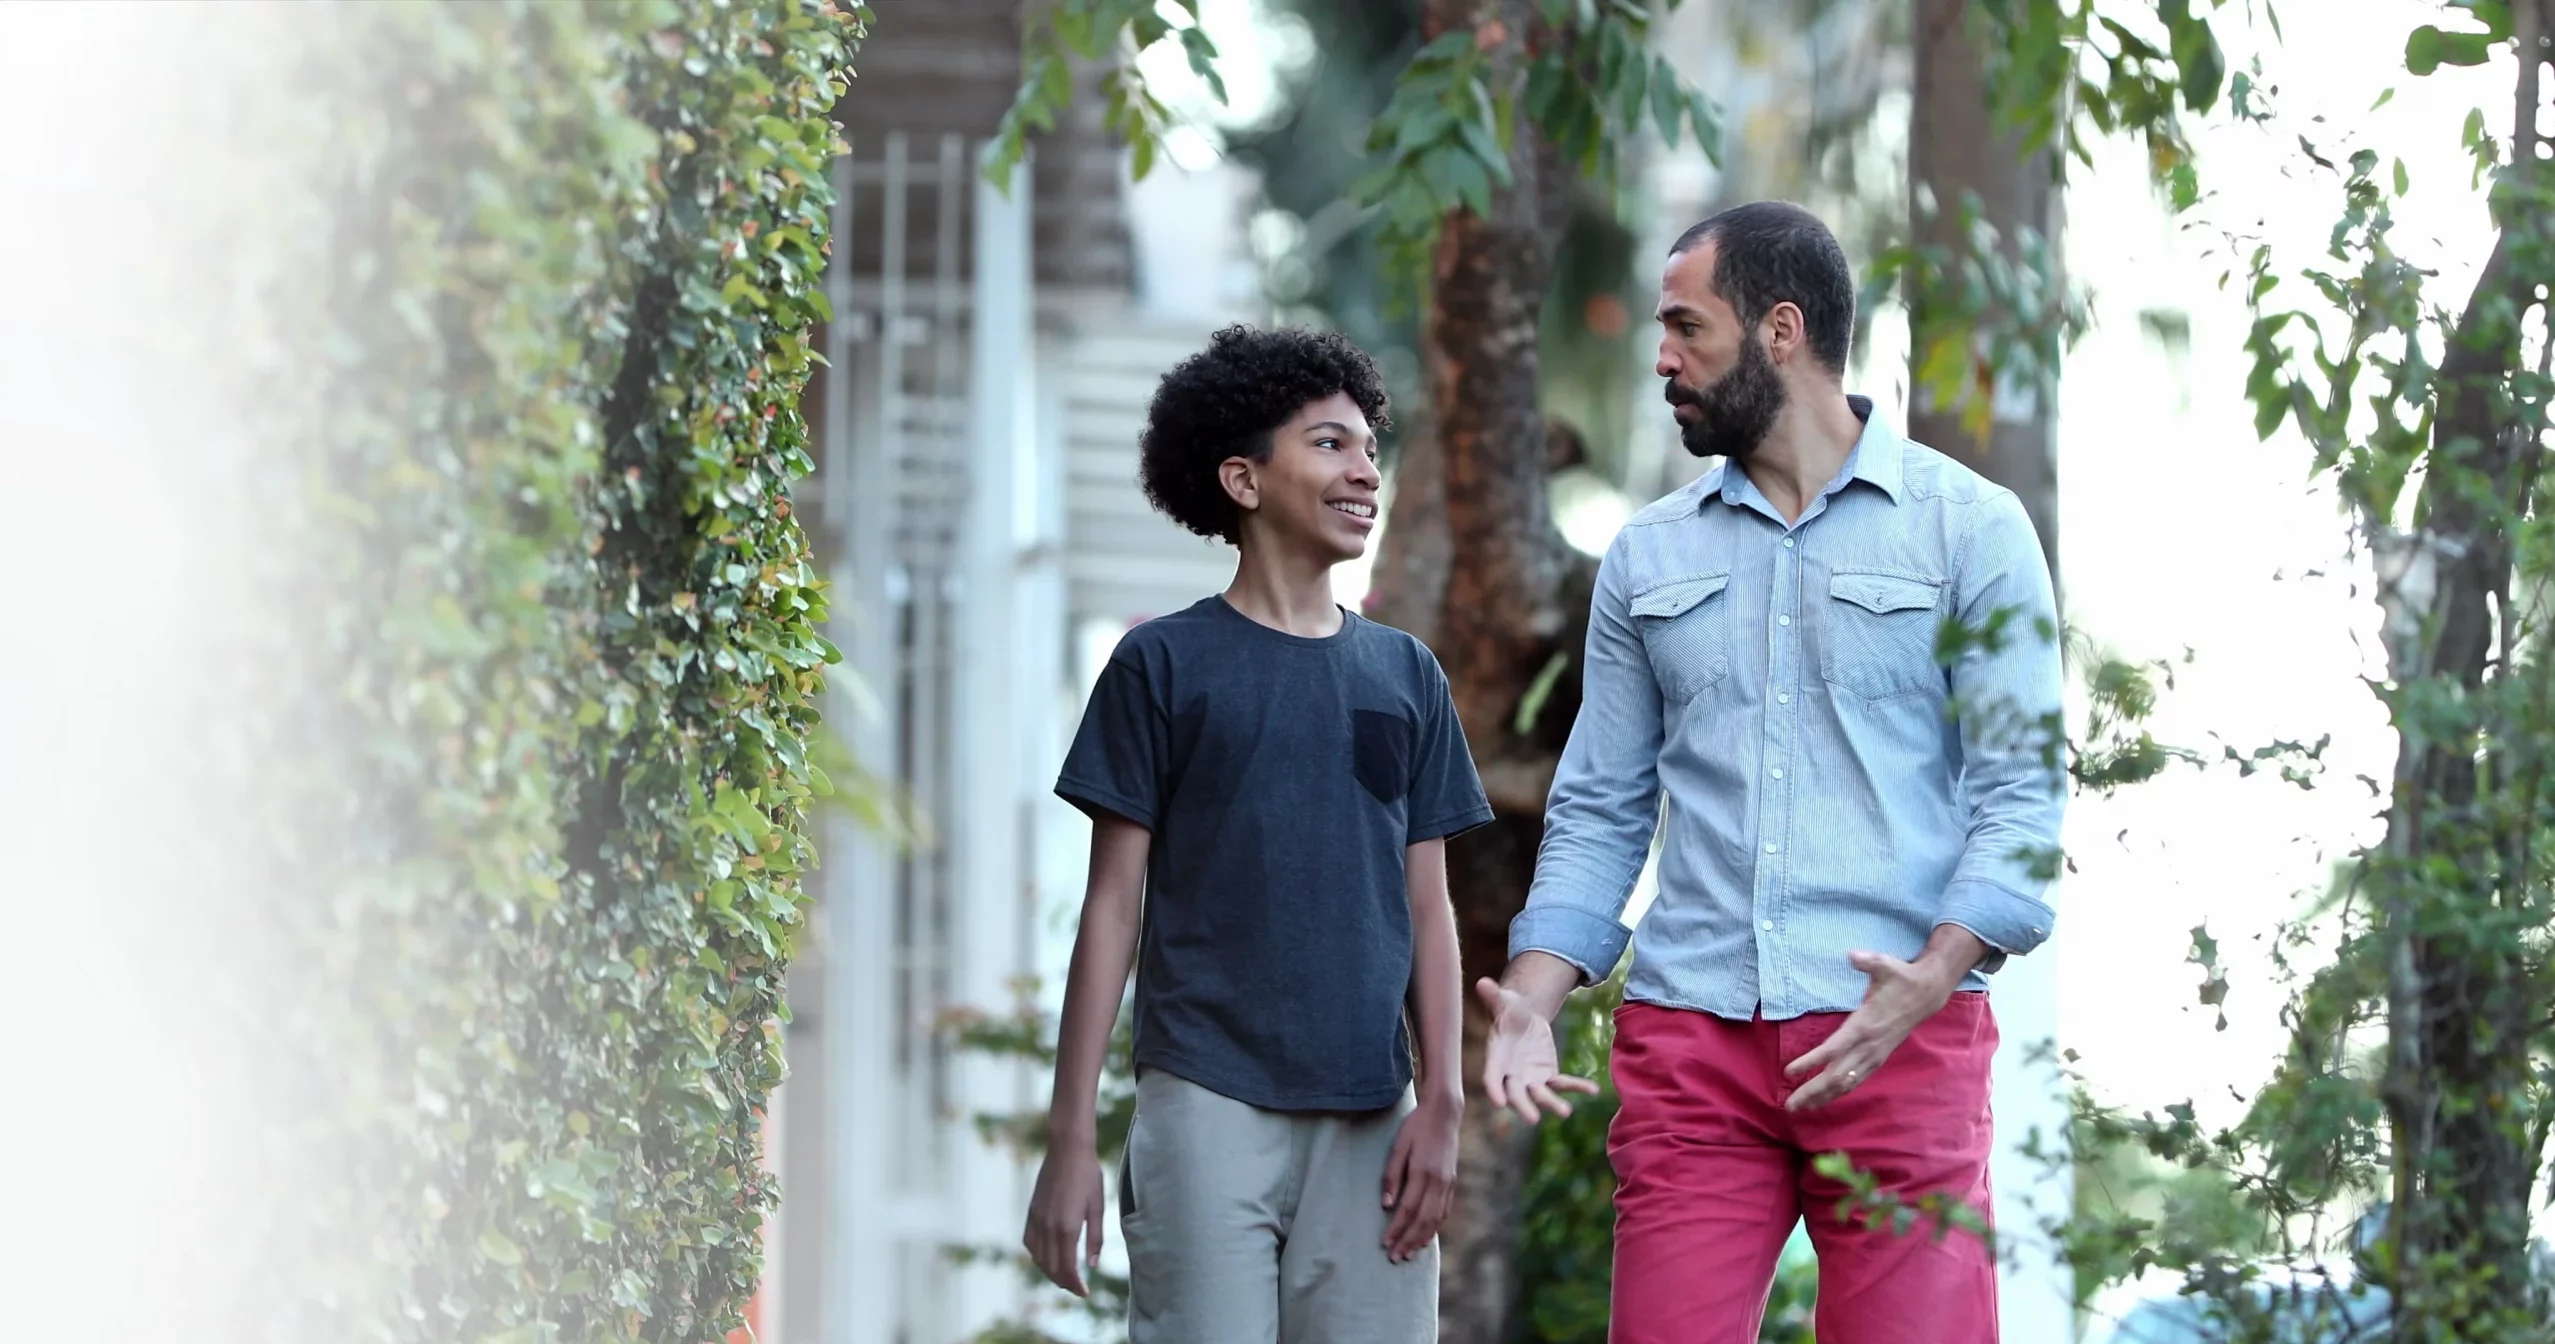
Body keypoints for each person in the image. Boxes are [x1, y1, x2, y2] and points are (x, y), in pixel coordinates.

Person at [1477, 201, 2067, 1343]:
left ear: (1779, 330)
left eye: (1684, 328)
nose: (1660, 357)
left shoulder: (1968, 532)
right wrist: (1535, 999)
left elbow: (2021, 799)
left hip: (1902, 1033)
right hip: (1693, 1043)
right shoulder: (1649, 556)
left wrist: (1934, 974)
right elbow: (1600, 806)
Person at [1024, 325, 1492, 1344]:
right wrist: (1069, 1139)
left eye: (1370, 446)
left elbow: (1428, 907)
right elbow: (1112, 909)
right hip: (1204, 1102)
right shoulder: (1161, 667)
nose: (1363, 468)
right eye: (1329, 444)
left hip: (1375, 1116)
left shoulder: (1404, 676)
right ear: (1242, 478)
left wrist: (1443, 1101)